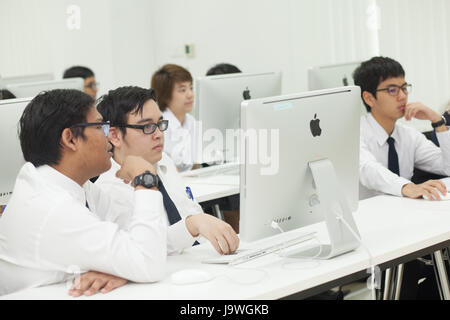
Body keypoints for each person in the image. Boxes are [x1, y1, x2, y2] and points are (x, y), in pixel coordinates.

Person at [0, 89, 167, 297]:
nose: (108, 135)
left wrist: (122, 267)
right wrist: (145, 177)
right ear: (70, 139)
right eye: (99, 126)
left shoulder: (73, 185)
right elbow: (149, 263)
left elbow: (140, 239)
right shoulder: (52, 207)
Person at [95, 86, 239, 255]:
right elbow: (140, 250)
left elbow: (191, 211)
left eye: (160, 124)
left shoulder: (164, 161)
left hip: (199, 257)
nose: (158, 134)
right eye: (147, 127)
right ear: (115, 136)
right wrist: (191, 225)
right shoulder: (108, 191)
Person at [354, 56, 448, 299]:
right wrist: (408, 187)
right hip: (369, 233)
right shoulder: (355, 134)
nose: (403, 96)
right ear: (369, 98)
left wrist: (438, 122)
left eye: (404, 88)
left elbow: (447, 166)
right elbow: (369, 170)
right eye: (392, 90)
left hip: (404, 226)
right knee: (407, 272)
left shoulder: (407, 135)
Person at [151, 64, 197, 172]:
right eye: (182, 90)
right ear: (165, 95)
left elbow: (195, 164)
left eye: (191, 88)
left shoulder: (191, 121)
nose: (190, 94)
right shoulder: (159, 126)